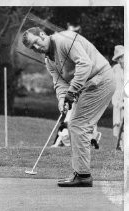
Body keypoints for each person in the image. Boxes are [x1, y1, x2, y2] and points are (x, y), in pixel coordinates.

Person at [22, 27, 116, 187]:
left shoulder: (64, 40)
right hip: (88, 85)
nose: (36, 48)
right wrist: (62, 100)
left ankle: (83, 175)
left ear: (43, 35)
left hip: (101, 79)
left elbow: (85, 64)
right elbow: (59, 82)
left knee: (78, 125)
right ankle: (81, 171)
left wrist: (72, 91)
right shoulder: (48, 60)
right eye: (32, 47)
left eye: (36, 42)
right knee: (76, 124)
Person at [111, 45, 124, 150]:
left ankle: (125, 144)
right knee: (118, 122)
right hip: (116, 98)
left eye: (122, 57)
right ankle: (120, 144)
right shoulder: (115, 68)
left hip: (126, 98)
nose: (120, 60)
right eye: (118, 58)